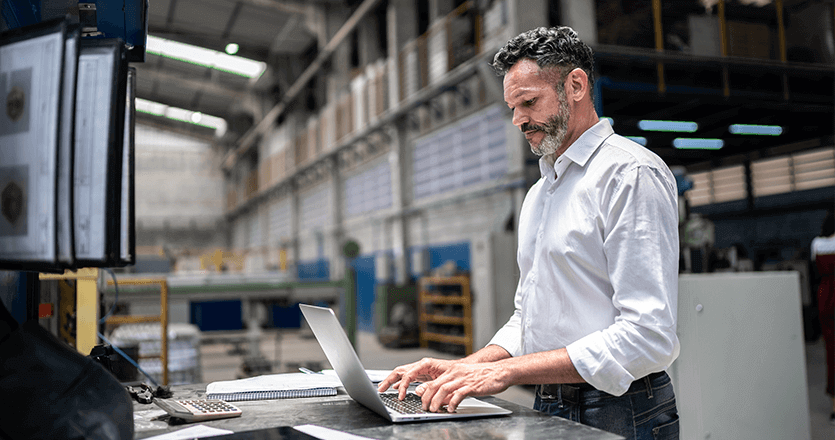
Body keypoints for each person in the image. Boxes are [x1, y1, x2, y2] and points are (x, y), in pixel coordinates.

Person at [378, 26, 681, 440]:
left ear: (575, 85)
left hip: (621, 408)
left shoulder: (630, 175)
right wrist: (470, 365)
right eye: (513, 107)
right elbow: (529, 318)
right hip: (549, 399)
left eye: (529, 102)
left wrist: (506, 372)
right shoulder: (542, 192)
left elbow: (648, 336)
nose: (519, 119)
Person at [811, 209, 835, 424]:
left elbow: (814, 272)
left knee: (831, 351)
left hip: (825, 295)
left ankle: (834, 407)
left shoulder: (817, 244)